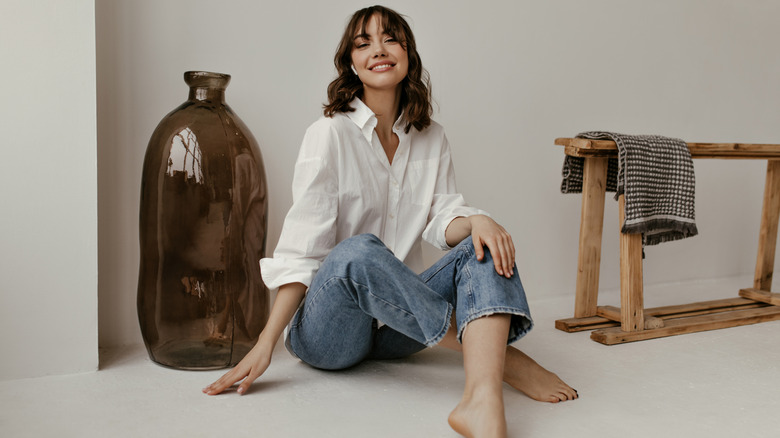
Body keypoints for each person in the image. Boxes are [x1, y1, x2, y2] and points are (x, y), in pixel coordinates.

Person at [203, 5, 577, 437]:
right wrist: (266, 343)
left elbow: (442, 220)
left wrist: (475, 221)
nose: (378, 50)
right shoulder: (329, 134)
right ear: (351, 63)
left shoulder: (431, 136)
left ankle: (482, 397)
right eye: (363, 43)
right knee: (359, 250)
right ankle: (503, 358)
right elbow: (301, 253)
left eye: (390, 39)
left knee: (482, 242)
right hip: (329, 333)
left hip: (398, 328)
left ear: (408, 53)